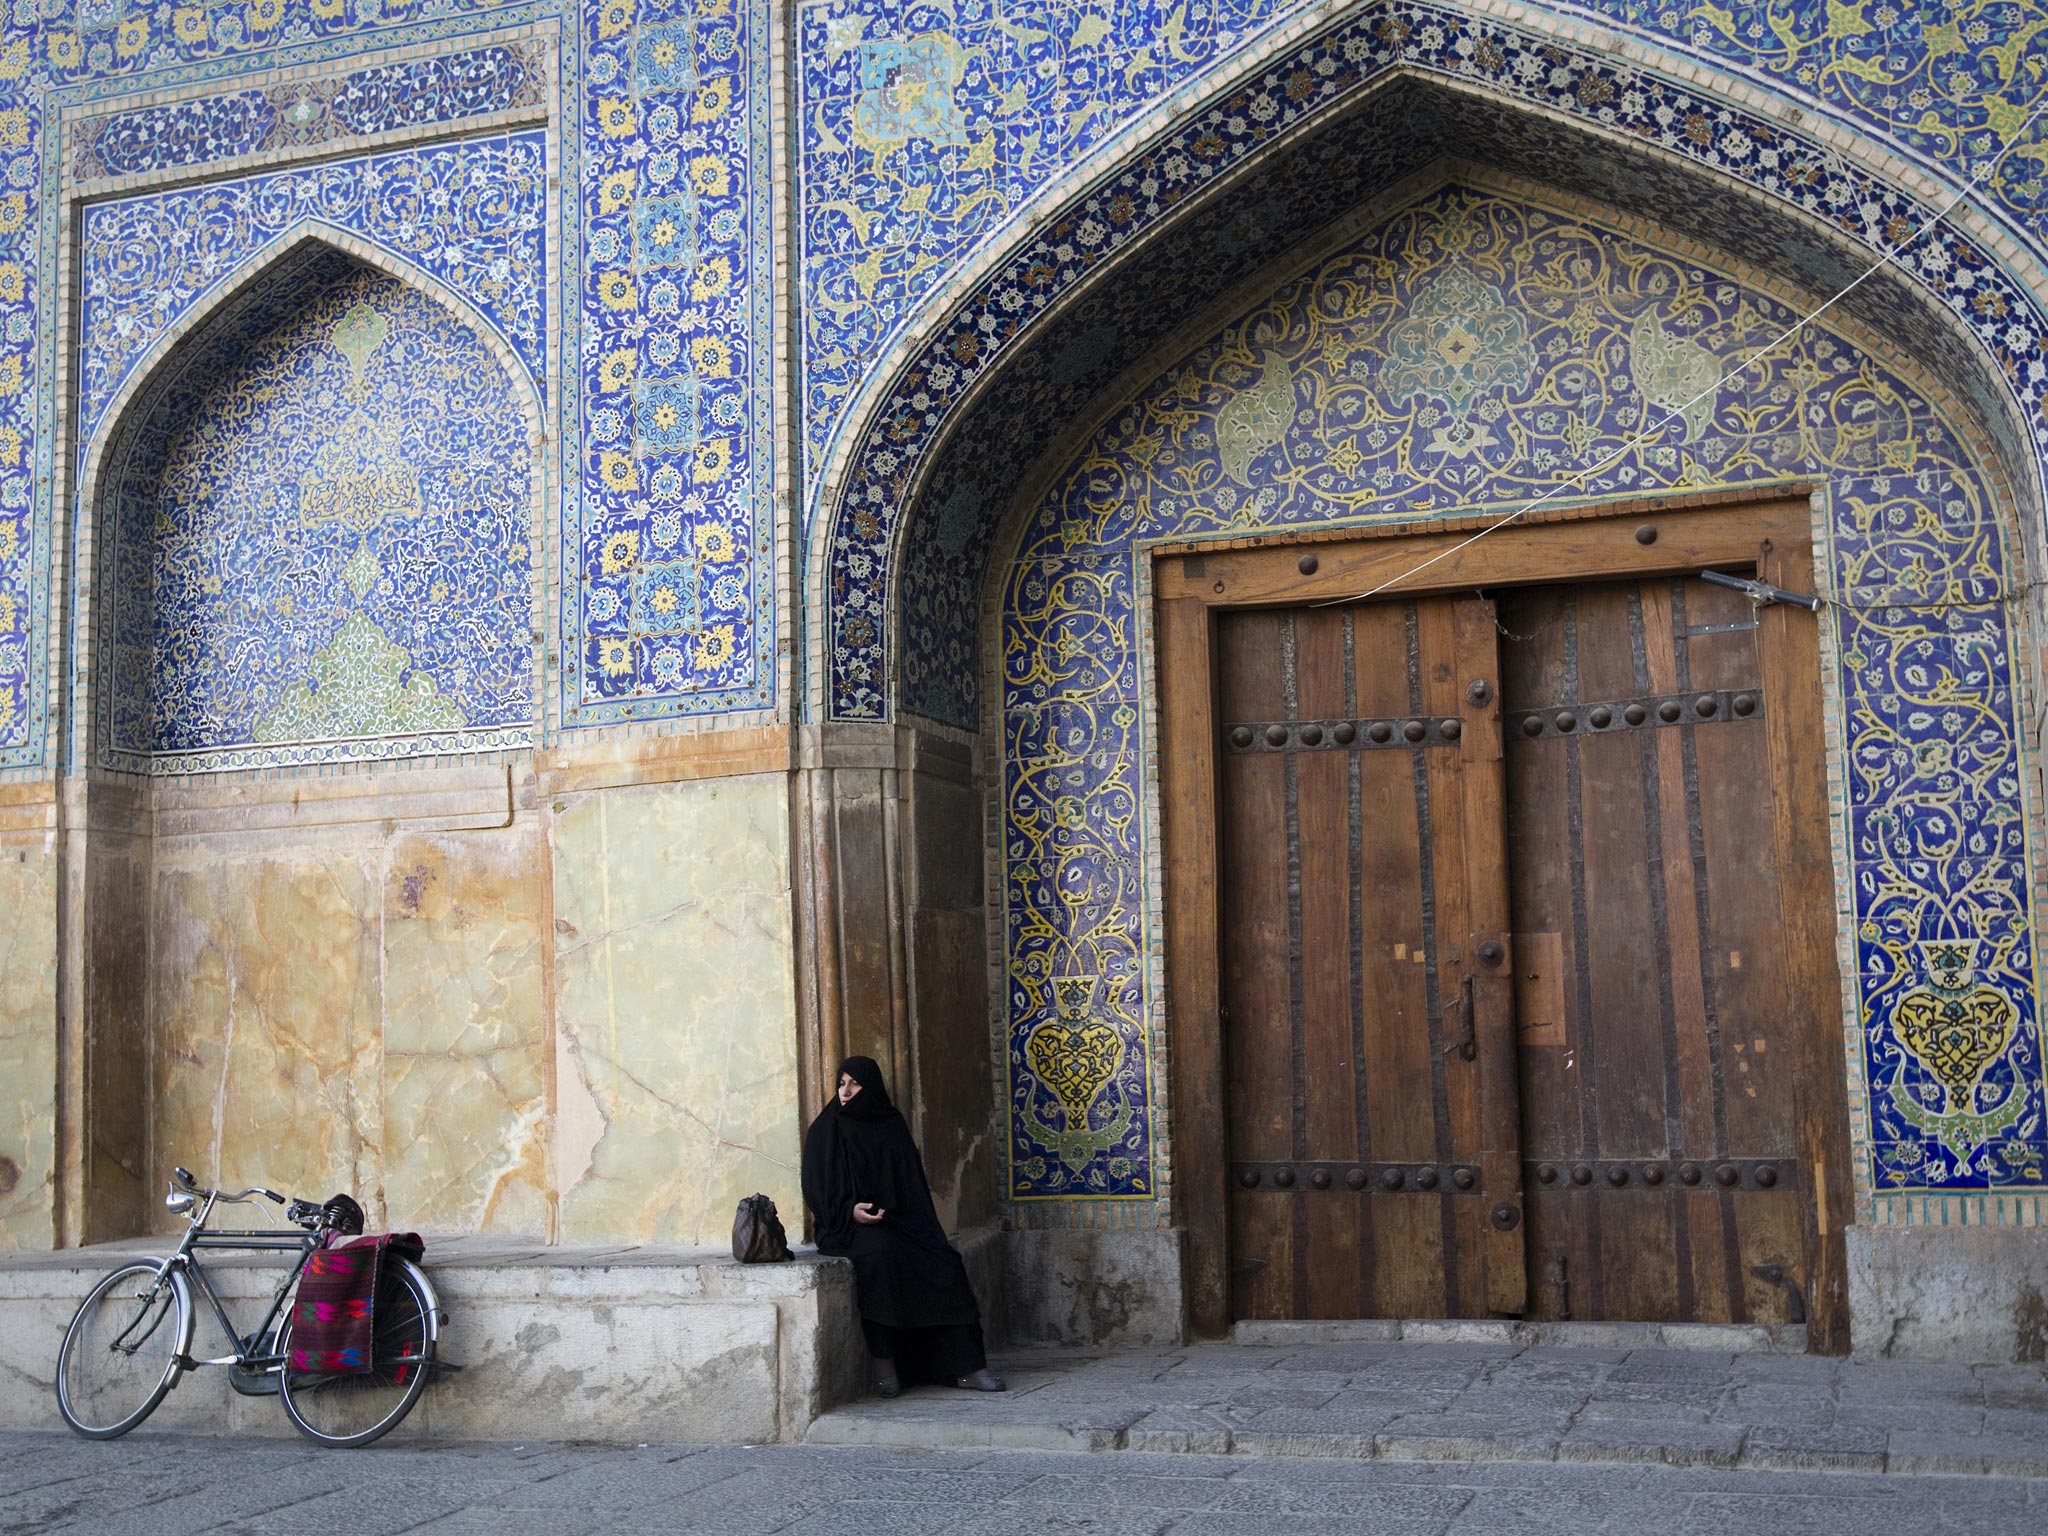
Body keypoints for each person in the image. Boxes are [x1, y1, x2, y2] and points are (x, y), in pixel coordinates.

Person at [801, 1055, 1006, 1397]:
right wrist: (850, 1211)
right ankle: (885, 1366)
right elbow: (817, 1187)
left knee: (944, 1261)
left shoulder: (890, 1123)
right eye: (842, 1083)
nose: (846, 1091)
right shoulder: (827, 1128)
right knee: (879, 1256)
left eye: (855, 1083)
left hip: (899, 1220)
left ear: (871, 1087)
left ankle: (969, 1368)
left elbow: (910, 1185)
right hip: (847, 1227)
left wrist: (897, 1216)